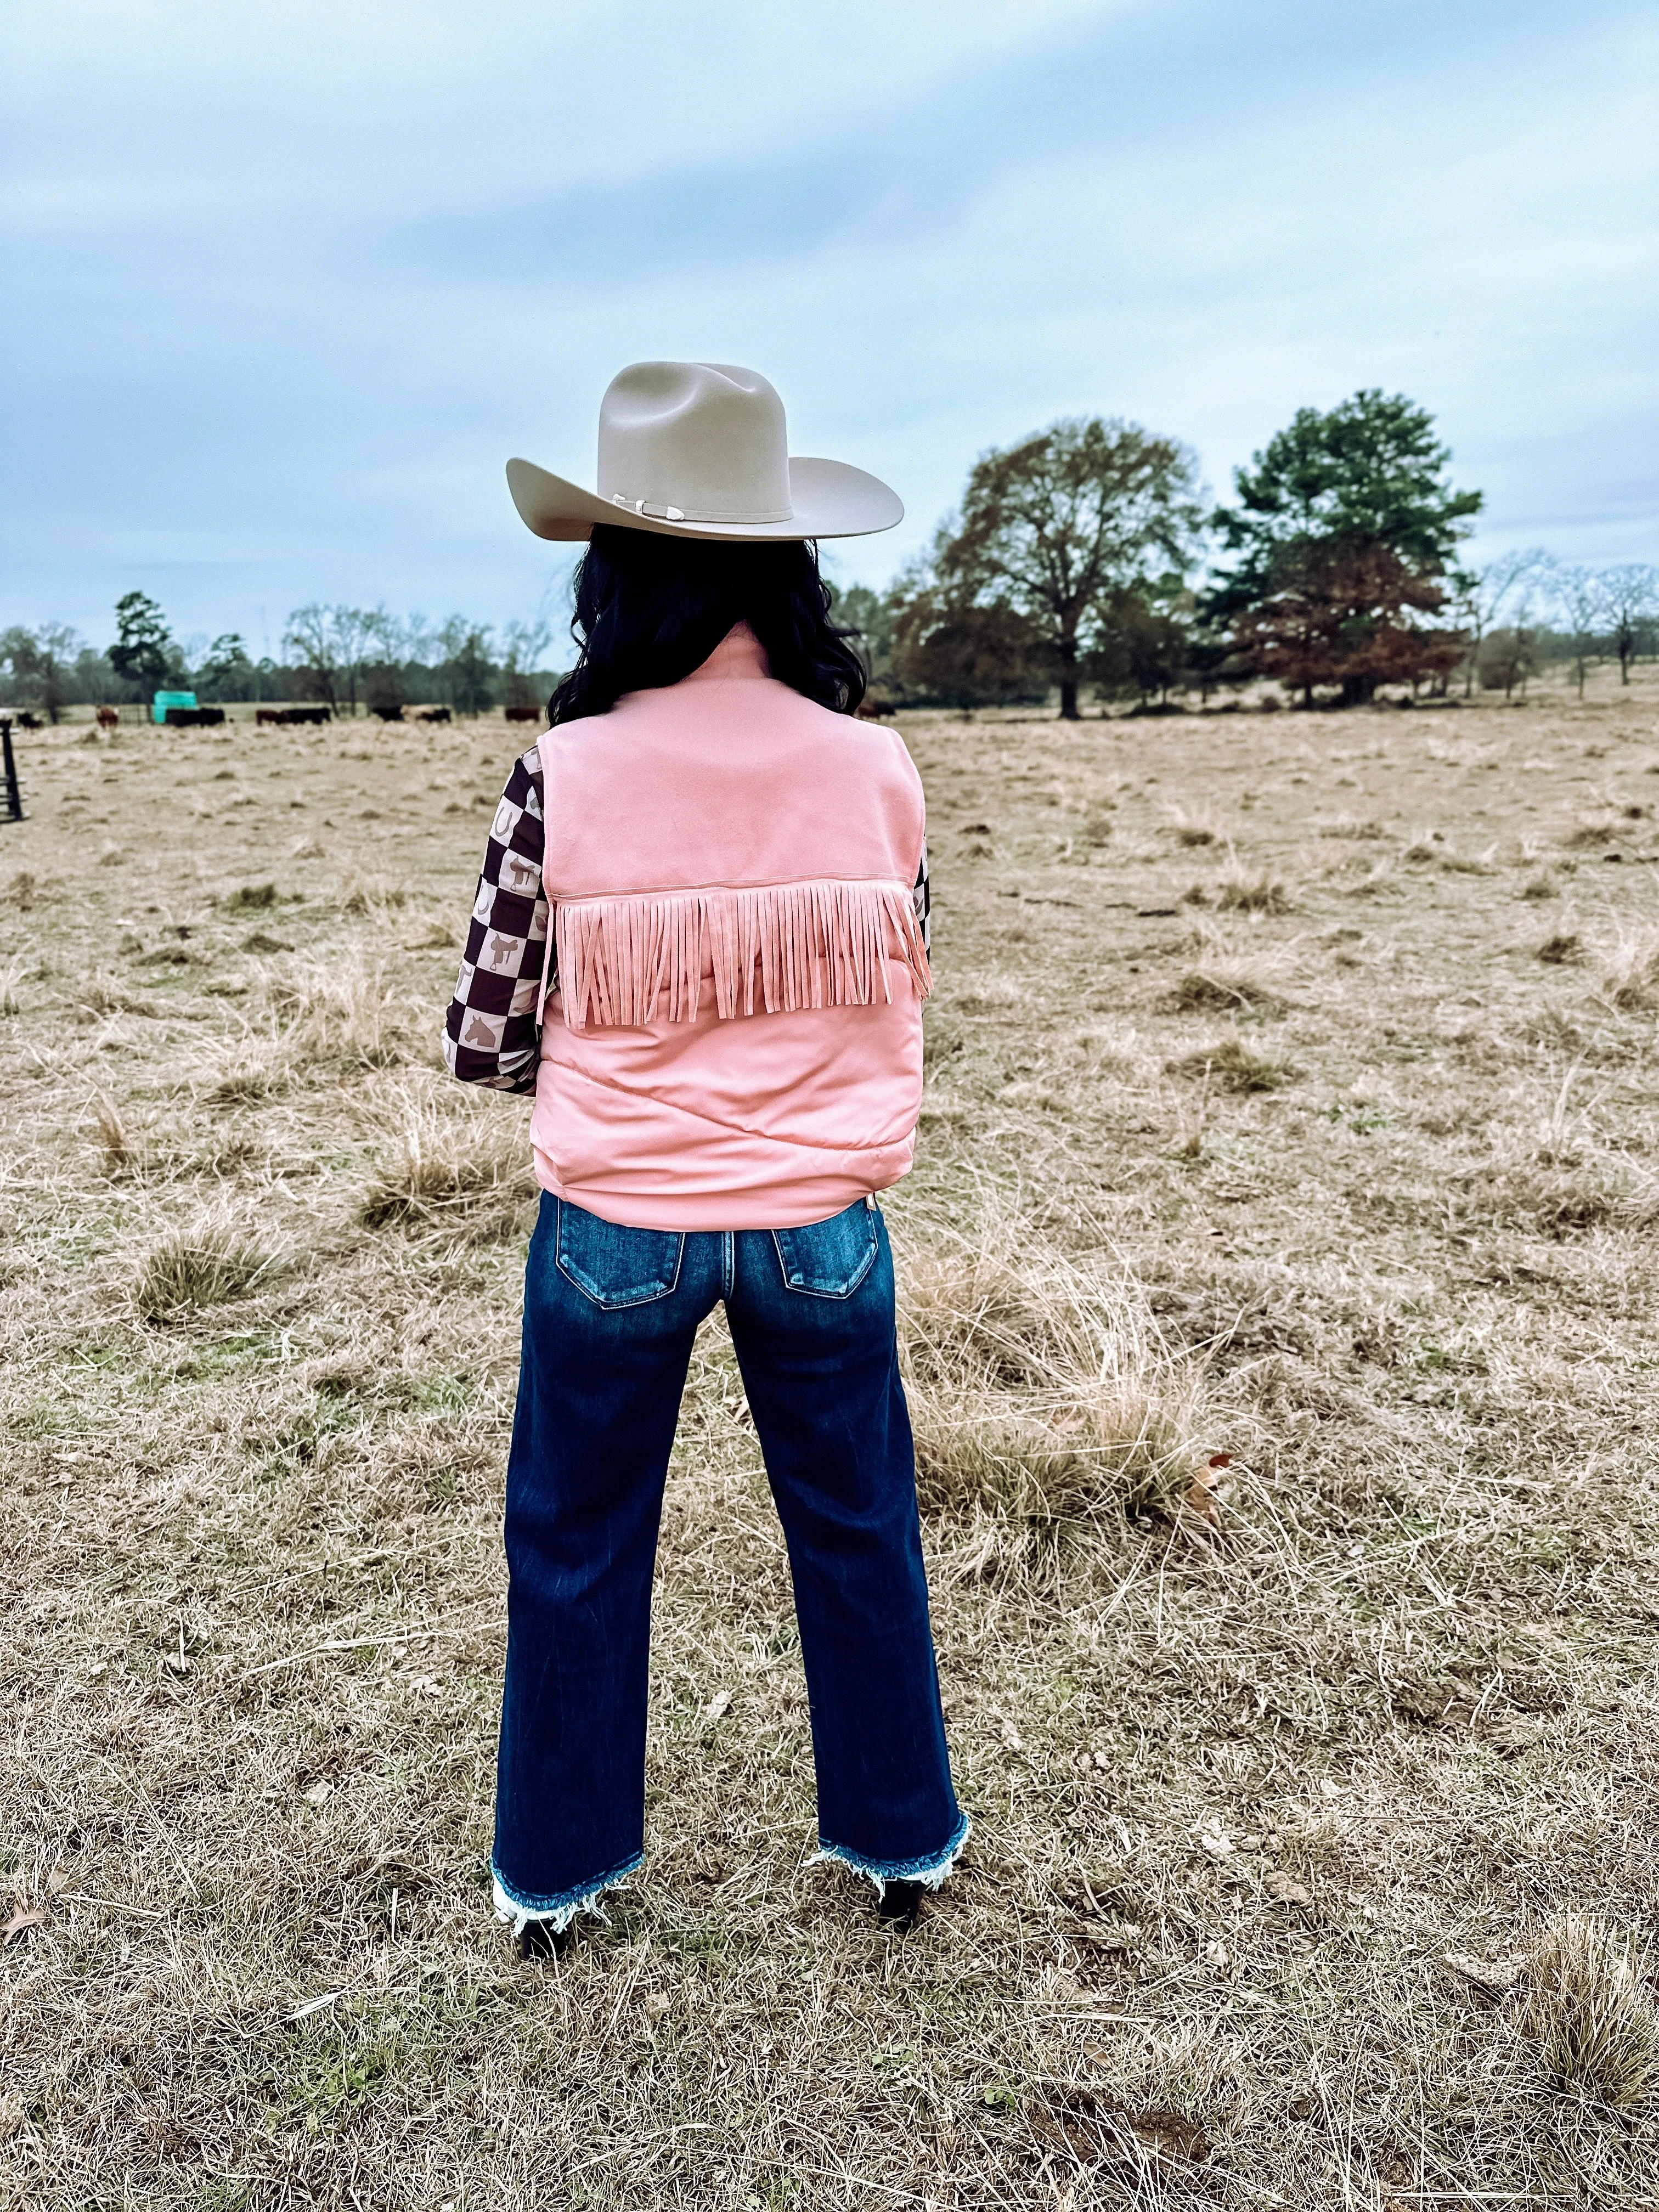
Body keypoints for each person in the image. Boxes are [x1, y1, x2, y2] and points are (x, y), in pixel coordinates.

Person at [444, 361, 966, 1955]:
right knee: (860, 1525)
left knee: (580, 1544)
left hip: (617, 1221)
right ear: (784, 572)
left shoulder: (567, 773)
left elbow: (484, 1027)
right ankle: (898, 1841)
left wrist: (613, 1043)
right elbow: (906, 965)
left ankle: (562, 1872)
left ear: (619, 579)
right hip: (824, 1218)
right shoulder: (875, 767)